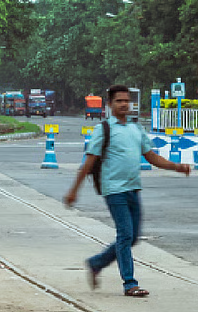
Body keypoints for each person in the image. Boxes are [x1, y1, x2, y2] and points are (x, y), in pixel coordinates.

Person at [64, 84, 190, 297]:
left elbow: (151, 156)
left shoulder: (135, 128)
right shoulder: (104, 129)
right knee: (125, 234)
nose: (124, 104)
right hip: (113, 190)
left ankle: (96, 263)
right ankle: (129, 283)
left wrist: (176, 166)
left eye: (126, 100)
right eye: (119, 101)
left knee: (132, 237)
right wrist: (74, 190)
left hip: (133, 188)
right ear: (110, 104)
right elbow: (88, 162)